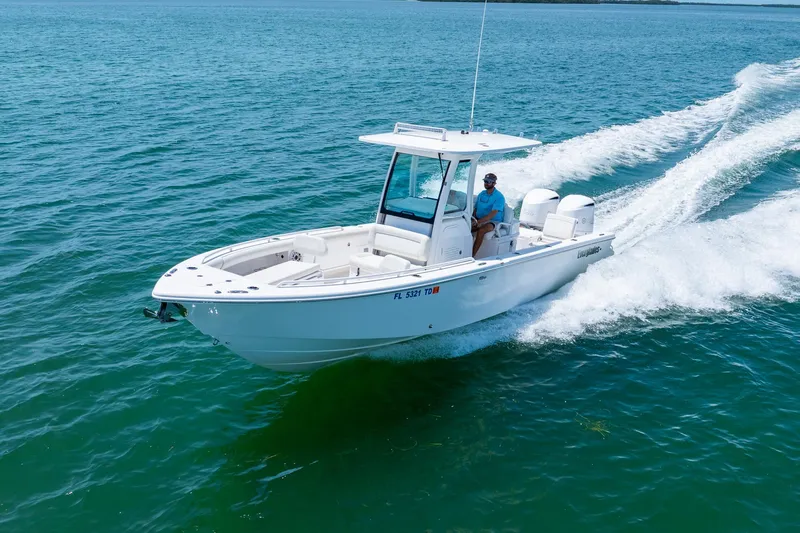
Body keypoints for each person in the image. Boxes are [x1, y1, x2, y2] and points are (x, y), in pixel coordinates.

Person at [472, 172, 505, 256]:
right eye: (485, 181)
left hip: (493, 221)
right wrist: (473, 219)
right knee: (465, 228)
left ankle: (472, 255)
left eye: (488, 181)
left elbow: (492, 214)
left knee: (481, 230)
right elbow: (475, 209)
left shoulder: (499, 197)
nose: (486, 183)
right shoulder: (482, 194)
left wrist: (479, 222)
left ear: (494, 183)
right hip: (479, 219)